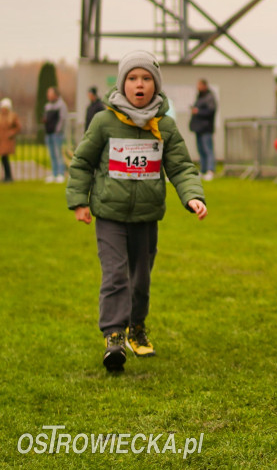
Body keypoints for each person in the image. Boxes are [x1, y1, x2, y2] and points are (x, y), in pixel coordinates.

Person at [65, 51, 207, 371]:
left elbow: (182, 167)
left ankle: (137, 328)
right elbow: (83, 162)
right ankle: (114, 336)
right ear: (122, 83)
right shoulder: (103, 122)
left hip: (146, 217)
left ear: (155, 86)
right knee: (116, 275)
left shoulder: (165, 127)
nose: (139, 85)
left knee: (140, 279)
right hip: (110, 216)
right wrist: (79, 201)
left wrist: (193, 197)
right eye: (132, 78)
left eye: (145, 79)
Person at [189, 79, 218, 181]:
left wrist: (198, 111)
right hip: (198, 128)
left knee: (208, 150)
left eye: (199, 85)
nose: (198, 87)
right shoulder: (199, 97)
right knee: (201, 150)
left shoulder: (209, 97)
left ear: (205, 86)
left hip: (206, 128)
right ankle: (203, 170)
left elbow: (211, 111)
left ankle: (211, 170)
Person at [43, 86, 69, 183]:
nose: (48, 95)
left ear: (55, 94)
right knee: (52, 154)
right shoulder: (47, 106)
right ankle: (54, 174)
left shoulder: (61, 105)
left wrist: (57, 130)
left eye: (50, 93)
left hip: (56, 134)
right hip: (49, 133)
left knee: (58, 154)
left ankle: (61, 174)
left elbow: (62, 119)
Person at [0, 98, 21, 182]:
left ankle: (8, 176)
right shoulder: (1, 116)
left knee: (5, 158)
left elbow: (18, 127)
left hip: (7, 141)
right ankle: (7, 176)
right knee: (3, 159)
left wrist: (12, 133)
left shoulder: (12, 116)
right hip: (1, 140)